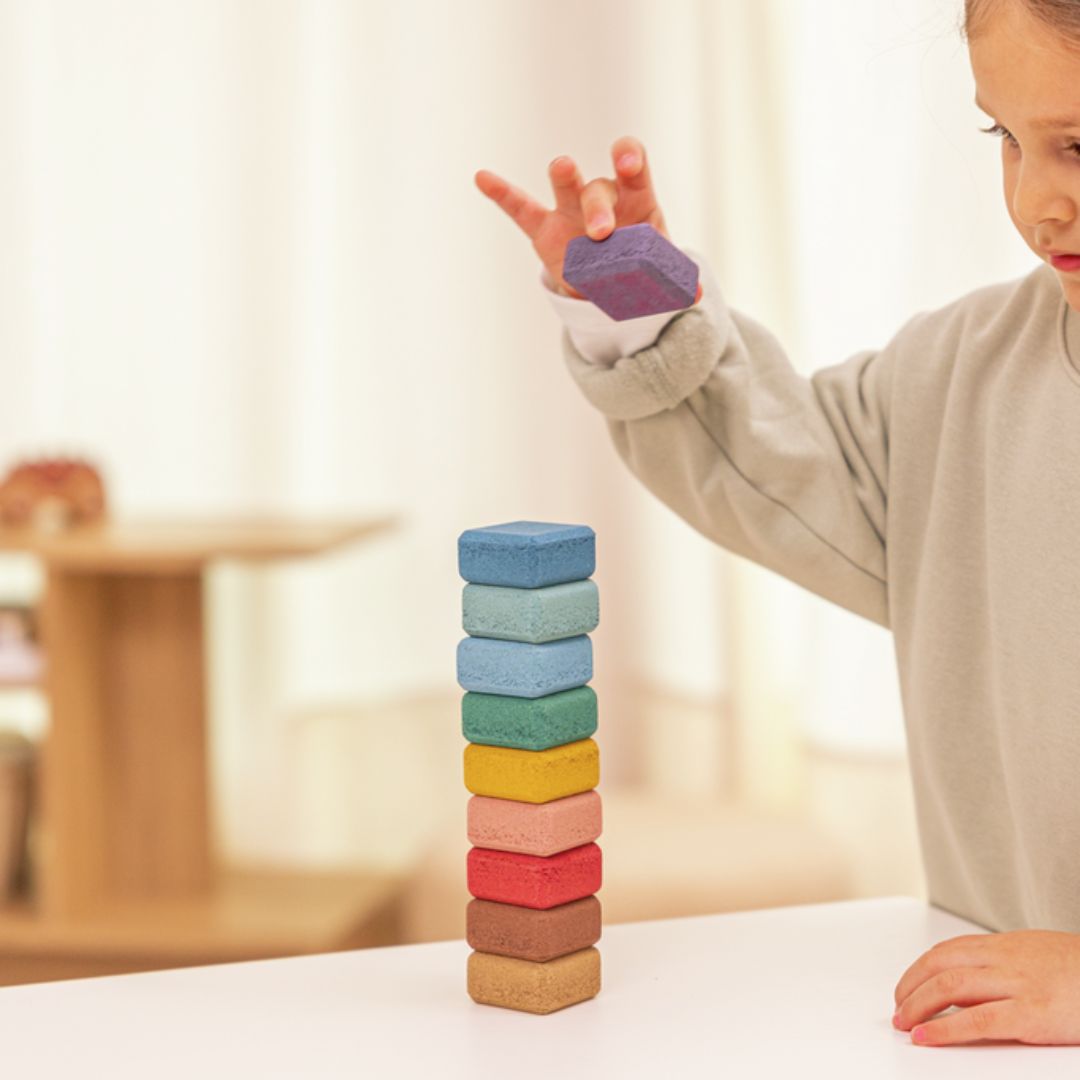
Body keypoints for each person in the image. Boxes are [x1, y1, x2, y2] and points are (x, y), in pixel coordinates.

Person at [475, 0, 1080, 1050]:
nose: (1036, 203)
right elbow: (783, 469)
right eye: (1006, 137)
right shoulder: (967, 374)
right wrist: (640, 300)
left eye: (1076, 145)